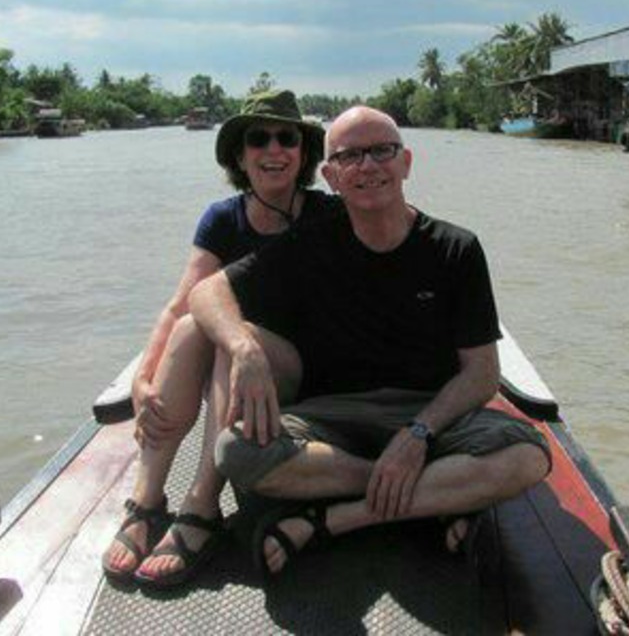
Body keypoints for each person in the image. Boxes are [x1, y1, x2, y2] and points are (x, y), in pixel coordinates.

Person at [188, 105, 552, 576]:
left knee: (527, 458)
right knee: (236, 451)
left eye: (382, 151)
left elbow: (482, 375)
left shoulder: (455, 249)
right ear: (331, 176)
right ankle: (428, 495)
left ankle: (336, 519)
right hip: (335, 417)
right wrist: (243, 347)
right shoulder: (309, 244)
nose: (368, 166)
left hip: (431, 413)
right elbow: (206, 291)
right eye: (351, 156)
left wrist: (418, 434)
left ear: (406, 162)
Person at [101, 89, 338, 587]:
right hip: (235, 365)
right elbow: (179, 302)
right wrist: (142, 381)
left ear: (303, 152)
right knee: (194, 325)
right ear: (240, 155)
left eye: (286, 139)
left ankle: (202, 506)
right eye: (259, 139)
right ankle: (148, 499)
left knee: (236, 339)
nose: (273, 150)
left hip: (299, 372)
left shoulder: (327, 217)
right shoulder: (222, 218)